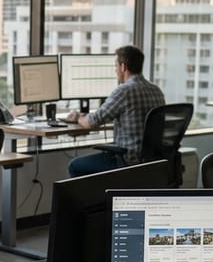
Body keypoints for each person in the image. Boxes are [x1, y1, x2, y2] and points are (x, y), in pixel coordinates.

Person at [64, 46, 165, 178]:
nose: (115, 70)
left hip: (127, 160)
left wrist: (77, 117)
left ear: (123, 67)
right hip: (152, 162)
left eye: (116, 65)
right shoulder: (156, 90)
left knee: (75, 166)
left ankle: (97, 198)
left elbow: (92, 123)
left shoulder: (124, 91)